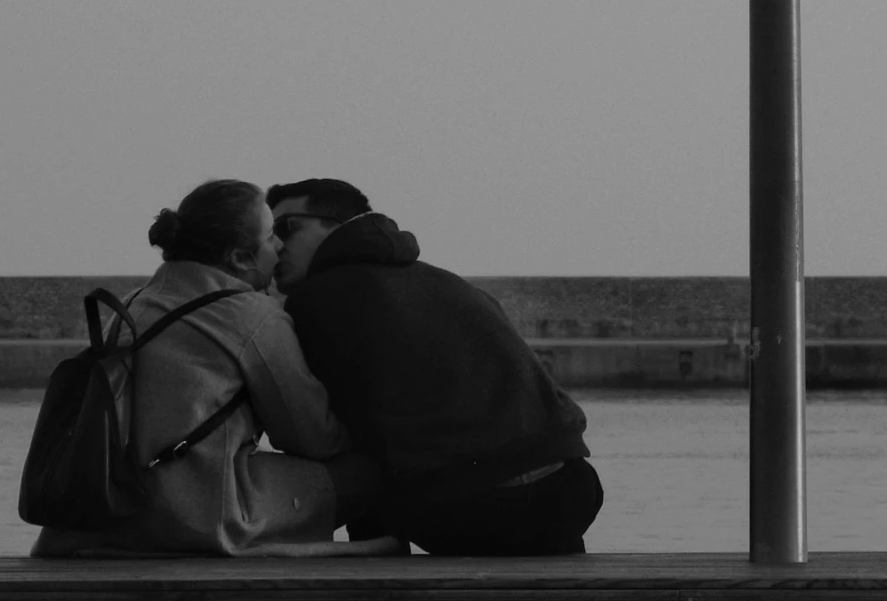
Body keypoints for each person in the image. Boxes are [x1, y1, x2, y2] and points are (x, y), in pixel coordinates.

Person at [31, 179, 391, 558]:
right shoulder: (251, 315)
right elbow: (310, 435)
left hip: (107, 511)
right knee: (370, 474)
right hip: (198, 516)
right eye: (271, 237)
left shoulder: (131, 306)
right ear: (239, 258)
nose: (280, 247)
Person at [268, 178, 601, 554]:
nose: (277, 244)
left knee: (358, 461)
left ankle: (377, 596)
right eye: (269, 234)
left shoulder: (319, 299)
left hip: (473, 512)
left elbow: (331, 434)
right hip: (573, 492)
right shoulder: (446, 282)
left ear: (335, 222)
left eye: (286, 228)